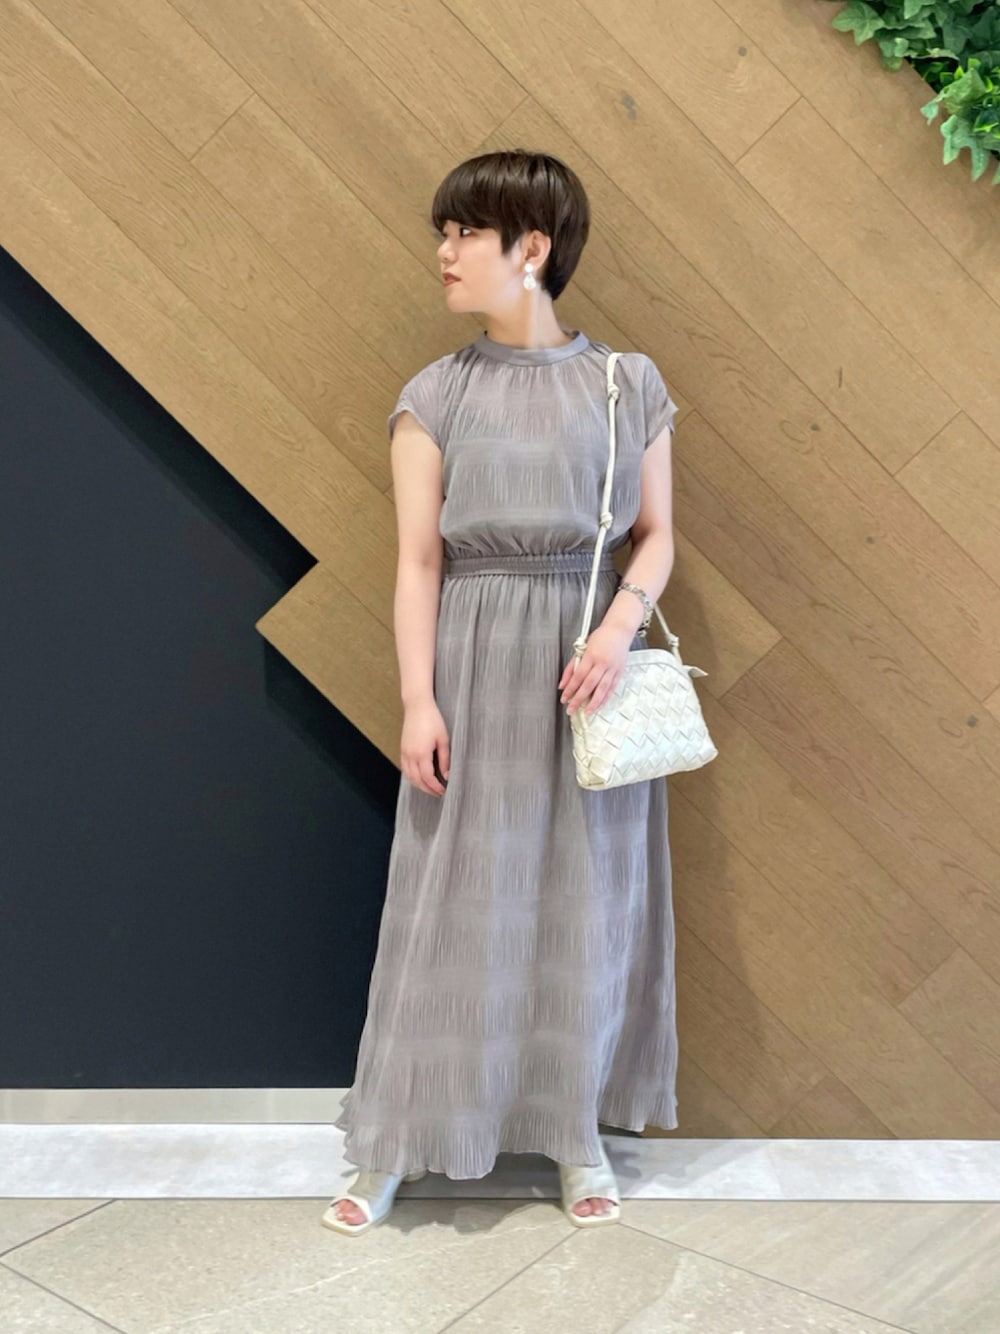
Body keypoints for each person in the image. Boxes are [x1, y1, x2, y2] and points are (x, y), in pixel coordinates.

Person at [323, 148, 679, 1237]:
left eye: (464, 231)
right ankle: (395, 1140)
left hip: (587, 675)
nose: (443, 251)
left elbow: (657, 537)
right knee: (447, 904)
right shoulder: (436, 394)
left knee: (586, 903)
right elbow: (417, 561)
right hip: (472, 664)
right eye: (444, 231)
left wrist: (617, 628)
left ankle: (574, 1133)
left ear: (532, 246)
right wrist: (417, 698)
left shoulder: (628, 384)